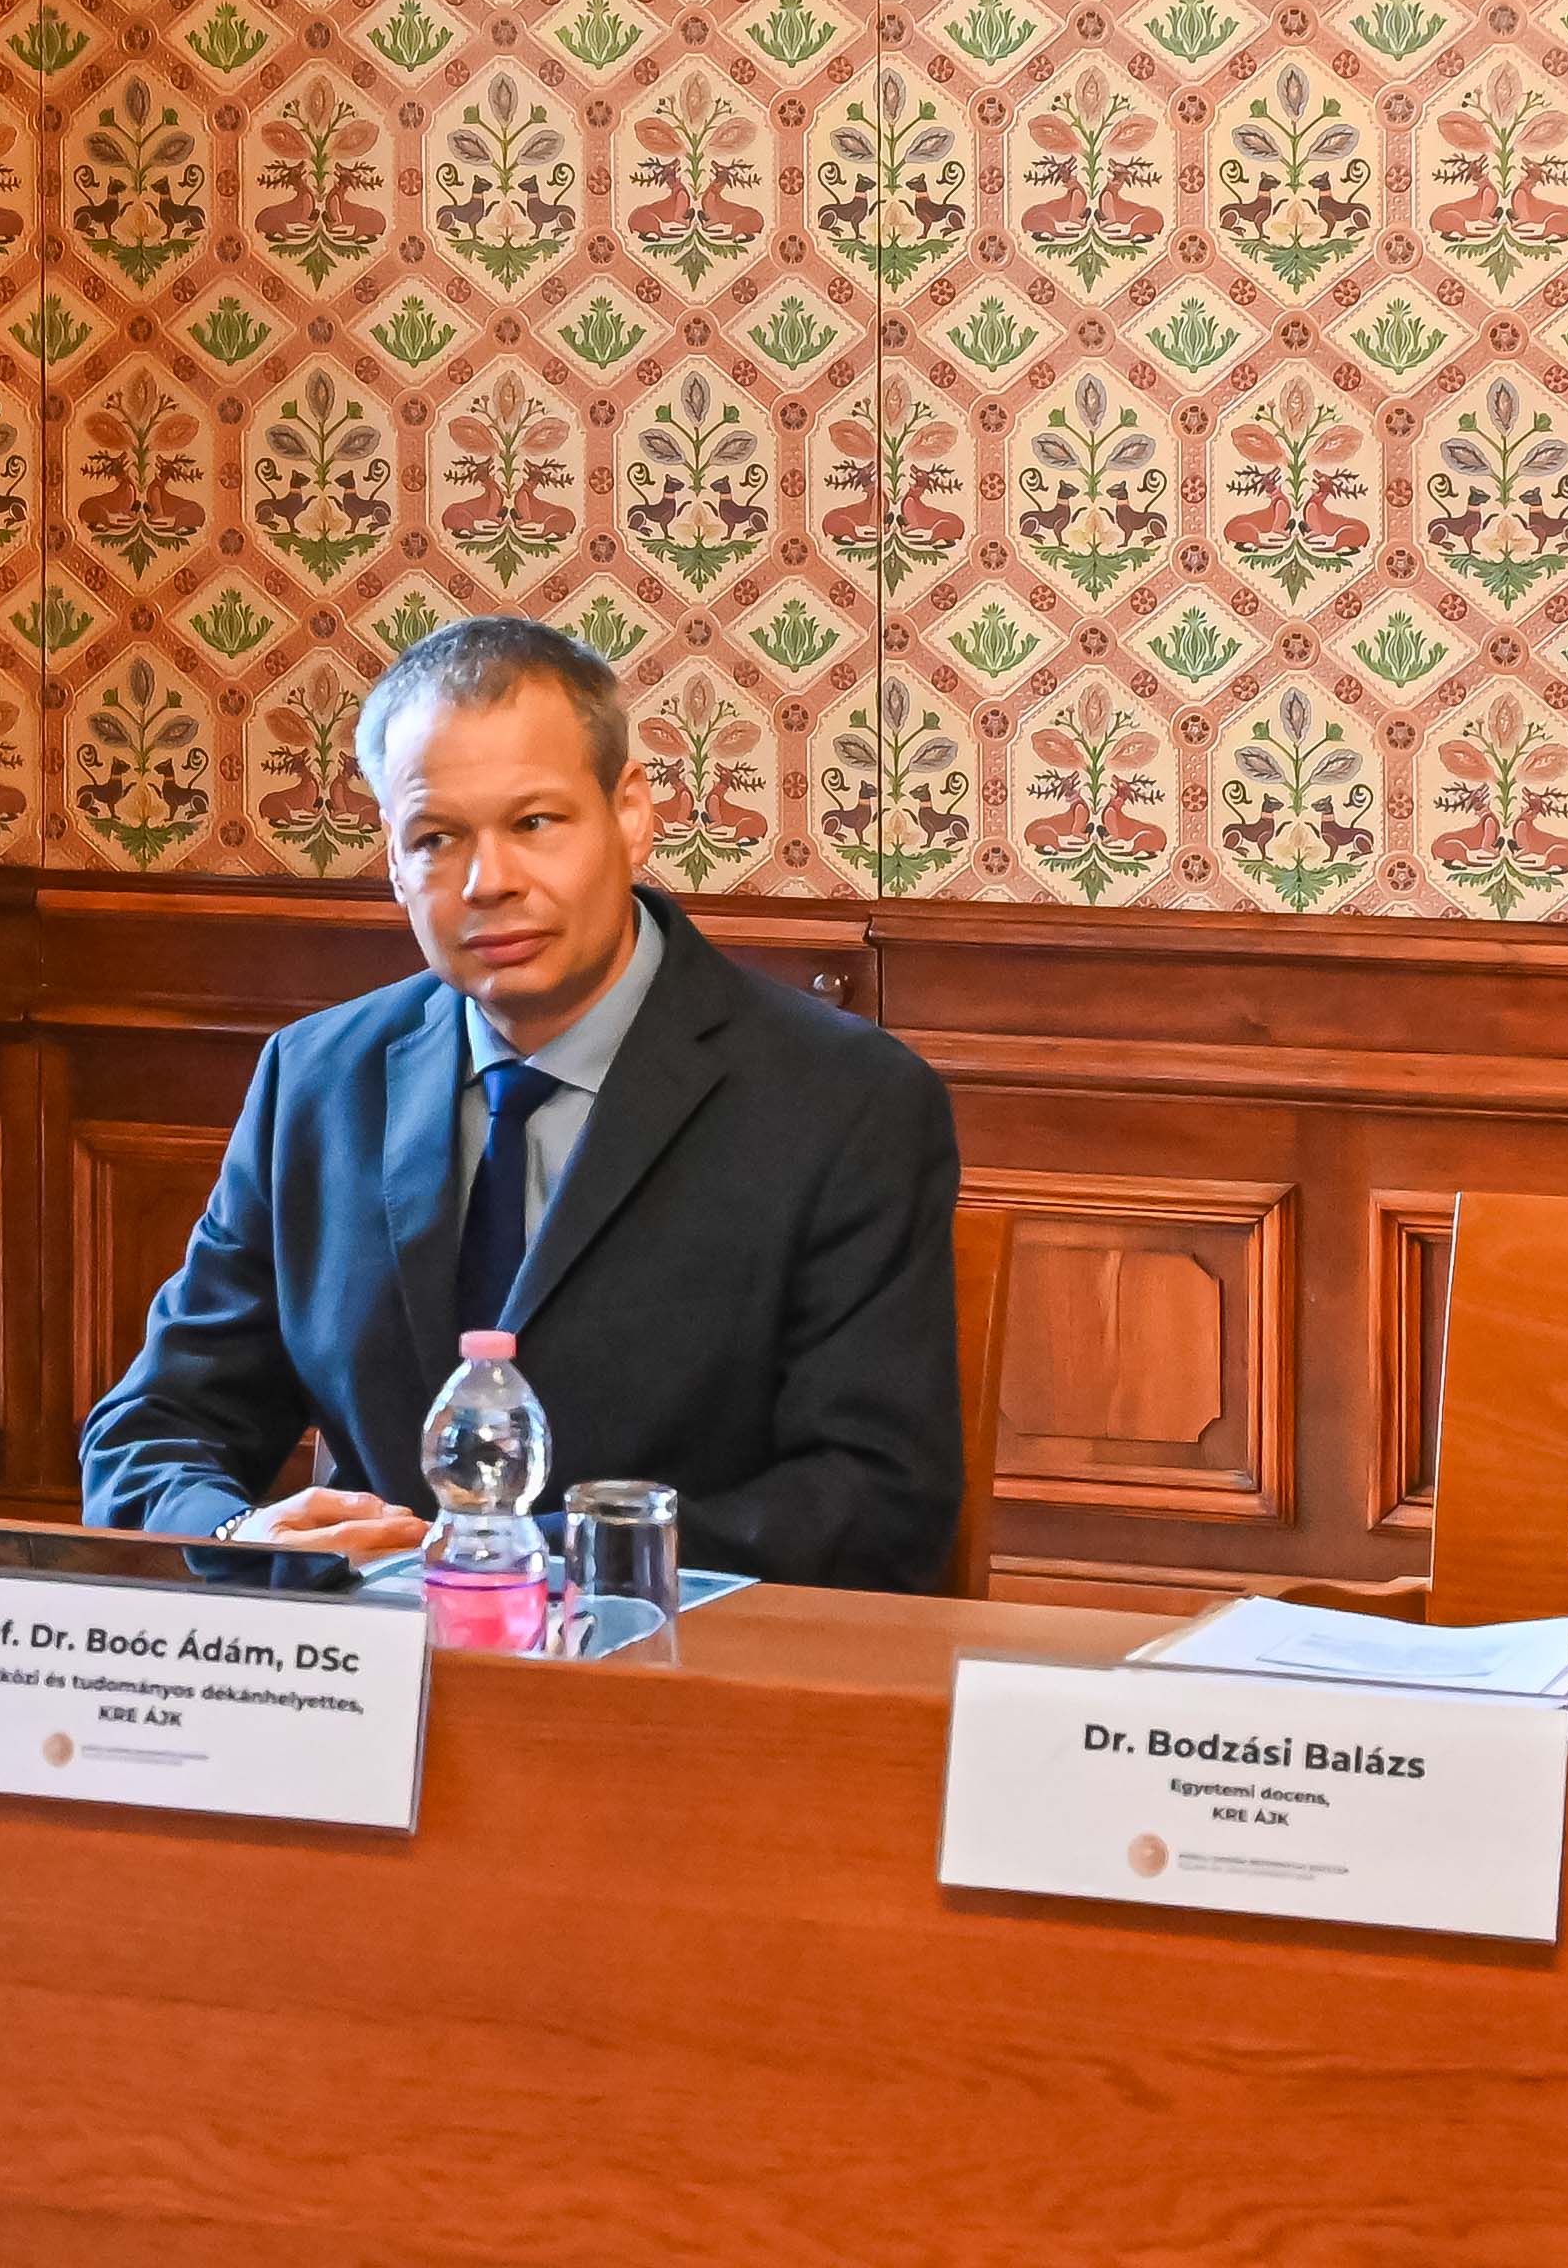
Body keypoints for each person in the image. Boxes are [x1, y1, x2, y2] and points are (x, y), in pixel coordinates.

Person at [78, 617, 965, 1593]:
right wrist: (242, 1533)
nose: (488, 881)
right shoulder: (317, 1078)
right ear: (393, 862)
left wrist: (503, 1561)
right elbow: (154, 1429)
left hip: (687, 1656)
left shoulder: (844, 1098)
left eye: (535, 823)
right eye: (436, 838)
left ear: (631, 813)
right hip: (372, 1667)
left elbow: (875, 1500)